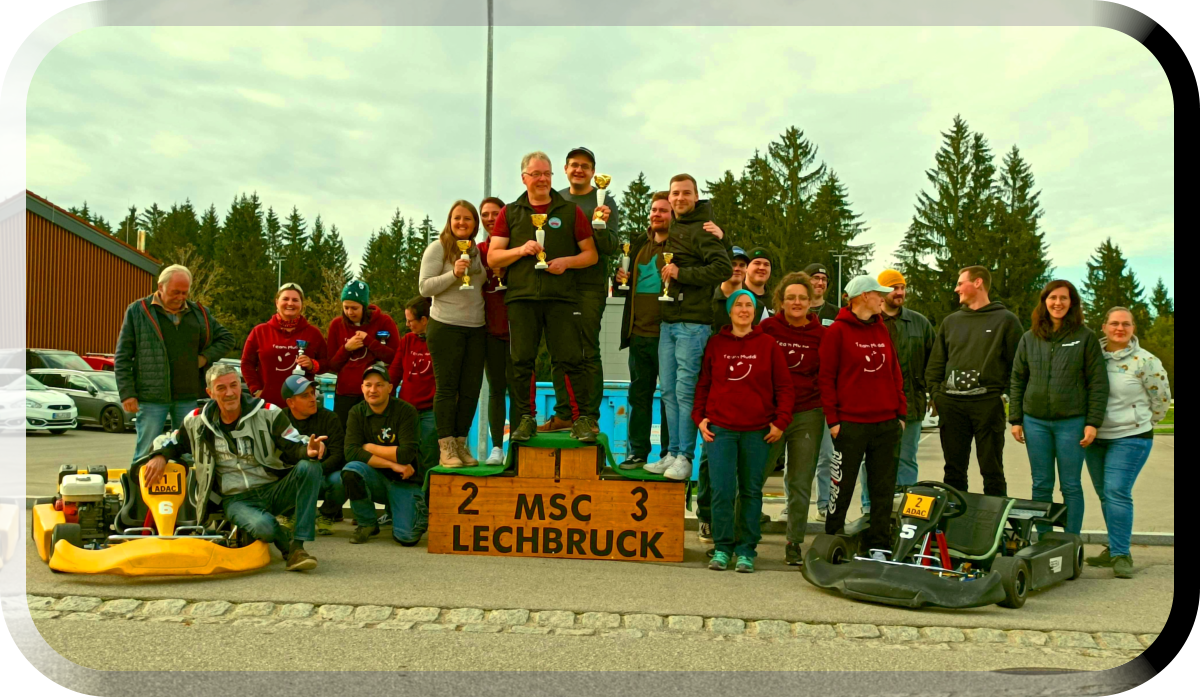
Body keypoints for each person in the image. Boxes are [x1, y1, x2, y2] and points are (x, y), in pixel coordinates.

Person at [136, 363, 326, 571]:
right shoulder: (196, 421)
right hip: (236, 499)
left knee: (310, 467)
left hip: (274, 489)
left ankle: (297, 546)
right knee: (264, 528)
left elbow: (294, 443)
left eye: (233, 385)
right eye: (221, 388)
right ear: (210, 393)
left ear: (240, 386)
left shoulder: (268, 413)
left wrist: (308, 450)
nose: (229, 393)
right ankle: (282, 538)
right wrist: (159, 455)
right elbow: (172, 441)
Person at [485, 151, 601, 443]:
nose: (542, 179)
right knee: (522, 361)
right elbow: (493, 257)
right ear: (524, 178)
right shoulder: (510, 212)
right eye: (536, 174)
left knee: (571, 359)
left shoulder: (570, 211)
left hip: (562, 298)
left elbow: (591, 255)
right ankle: (526, 418)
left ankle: (581, 419)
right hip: (521, 296)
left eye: (547, 174)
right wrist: (520, 250)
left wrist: (566, 263)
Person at [694, 290, 793, 573]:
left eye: (749, 305)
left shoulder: (768, 345)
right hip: (721, 430)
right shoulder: (716, 344)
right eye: (738, 304)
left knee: (750, 492)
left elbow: (784, 387)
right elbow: (704, 384)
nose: (744, 309)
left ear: (754, 312)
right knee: (722, 491)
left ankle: (747, 550)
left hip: (757, 431)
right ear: (729, 311)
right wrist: (699, 418)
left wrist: (780, 421)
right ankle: (723, 548)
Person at [646, 174, 733, 482]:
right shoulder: (676, 228)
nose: (680, 198)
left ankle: (685, 457)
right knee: (668, 391)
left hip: (693, 324)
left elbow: (723, 268)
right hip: (669, 321)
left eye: (686, 193)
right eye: (675, 193)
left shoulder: (703, 228)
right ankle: (672, 452)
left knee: (684, 393)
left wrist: (681, 273)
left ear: (696, 196)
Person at [1009, 280, 1108, 537]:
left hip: (1072, 423)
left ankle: (1070, 541)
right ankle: (1043, 540)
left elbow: (1098, 382)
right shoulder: (1029, 338)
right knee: (1041, 484)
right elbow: (1018, 379)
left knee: (1071, 485)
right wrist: (1016, 419)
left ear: (1072, 303)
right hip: (1035, 422)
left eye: (1064, 298)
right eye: (1053, 298)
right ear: (1045, 302)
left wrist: (1092, 422)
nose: (1058, 303)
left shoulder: (1085, 337)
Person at [819, 276, 907, 560]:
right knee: (841, 486)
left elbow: (894, 371)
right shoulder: (837, 331)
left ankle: (879, 544)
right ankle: (832, 540)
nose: (884, 298)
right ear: (863, 296)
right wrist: (833, 420)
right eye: (879, 294)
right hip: (850, 423)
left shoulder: (882, 328)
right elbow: (826, 378)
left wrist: (900, 413)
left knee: (883, 489)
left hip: (886, 423)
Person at [115, 264, 235, 464]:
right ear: (160, 287)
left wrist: (205, 357)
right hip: (151, 397)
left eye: (184, 293)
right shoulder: (138, 311)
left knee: (188, 452)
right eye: (175, 292)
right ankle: (139, 484)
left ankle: (188, 485)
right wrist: (127, 393)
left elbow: (227, 338)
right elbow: (122, 356)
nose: (180, 297)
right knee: (146, 452)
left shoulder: (199, 313)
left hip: (187, 396)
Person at [1083, 308, 1171, 579]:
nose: (1119, 328)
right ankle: (1114, 547)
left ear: (1133, 327)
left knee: (1116, 491)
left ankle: (1122, 554)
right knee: (1105, 494)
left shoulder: (1146, 361)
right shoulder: (1091, 356)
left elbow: (1161, 400)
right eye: (1114, 323)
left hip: (1131, 438)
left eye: (1126, 324)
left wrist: (1140, 421)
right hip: (1095, 437)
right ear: (1103, 327)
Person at [538, 147, 619, 433]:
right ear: (565, 169)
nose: (579, 170)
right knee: (558, 351)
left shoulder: (604, 200)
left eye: (585, 166)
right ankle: (563, 413)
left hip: (589, 287)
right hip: (557, 286)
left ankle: (589, 417)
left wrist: (601, 226)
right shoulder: (556, 199)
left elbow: (610, 247)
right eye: (574, 165)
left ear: (593, 172)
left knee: (587, 350)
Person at [925, 266, 1023, 496]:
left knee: (992, 469)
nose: (956, 289)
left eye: (960, 283)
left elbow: (1019, 366)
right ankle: (955, 516)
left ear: (978, 283)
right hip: (951, 406)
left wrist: (1004, 397)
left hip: (988, 405)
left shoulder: (1006, 320)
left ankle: (994, 517)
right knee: (953, 471)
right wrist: (938, 396)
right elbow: (935, 365)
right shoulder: (951, 322)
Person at [759, 272, 826, 565]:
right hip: (771, 416)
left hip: (807, 414)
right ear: (781, 301)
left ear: (810, 301)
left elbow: (828, 376)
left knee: (800, 480)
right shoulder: (767, 329)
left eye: (802, 298)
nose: (796, 303)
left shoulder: (822, 335)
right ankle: (743, 534)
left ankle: (794, 542)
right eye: (790, 298)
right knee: (755, 476)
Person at [857, 269, 935, 515]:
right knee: (871, 460)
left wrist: (933, 394)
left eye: (902, 287)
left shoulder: (920, 323)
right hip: (873, 406)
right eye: (894, 288)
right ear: (881, 292)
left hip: (911, 404)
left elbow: (934, 363)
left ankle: (907, 513)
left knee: (907, 459)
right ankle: (869, 508)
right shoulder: (867, 321)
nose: (899, 292)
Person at [418, 200, 487, 467]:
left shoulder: (476, 251)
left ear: (475, 224)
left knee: (470, 390)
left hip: (476, 328)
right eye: (457, 218)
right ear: (449, 221)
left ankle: (461, 442)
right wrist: (453, 274)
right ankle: (446, 446)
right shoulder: (438, 248)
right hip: (445, 326)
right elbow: (425, 287)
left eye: (467, 219)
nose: (461, 223)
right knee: (447, 389)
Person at [613, 191, 672, 470]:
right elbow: (623, 288)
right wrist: (619, 278)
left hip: (669, 335)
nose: (656, 214)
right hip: (638, 334)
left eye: (663, 210)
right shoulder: (638, 243)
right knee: (638, 397)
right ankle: (637, 452)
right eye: (654, 209)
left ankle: (670, 454)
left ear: (673, 215)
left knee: (670, 398)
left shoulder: (680, 245)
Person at [342, 363, 428, 546]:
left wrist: (369, 447)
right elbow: (351, 452)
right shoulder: (356, 412)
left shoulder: (406, 411)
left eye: (379, 385)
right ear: (362, 388)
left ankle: (404, 510)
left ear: (390, 388)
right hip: (376, 479)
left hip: (405, 480)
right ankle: (367, 523)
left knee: (407, 538)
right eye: (368, 385)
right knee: (351, 470)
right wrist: (392, 464)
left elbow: (405, 455)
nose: (373, 390)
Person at [241, 283, 329, 409]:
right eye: (285, 299)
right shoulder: (260, 331)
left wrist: (312, 365)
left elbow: (327, 363)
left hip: (302, 408)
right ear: (277, 302)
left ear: (302, 304)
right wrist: (256, 390)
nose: (290, 303)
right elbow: (246, 364)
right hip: (267, 405)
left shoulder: (313, 333)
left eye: (295, 300)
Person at [326, 280, 400, 428]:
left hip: (375, 394)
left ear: (364, 306)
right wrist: (346, 349)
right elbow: (332, 365)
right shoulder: (336, 325)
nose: (350, 312)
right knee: (345, 436)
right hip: (345, 394)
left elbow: (395, 358)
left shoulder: (384, 321)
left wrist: (369, 341)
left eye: (354, 308)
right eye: (346, 307)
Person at [280, 374, 345, 536]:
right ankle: (288, 514)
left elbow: (338, 455)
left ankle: (326, 515)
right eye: (305, 396)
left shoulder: (330, 418)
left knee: (343, 478)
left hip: (323, 476)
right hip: (293, 478)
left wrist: (314, 472)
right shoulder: (280, 420)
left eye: (312, 393)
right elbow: (278, 457)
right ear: (291, 402)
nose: (312, 399)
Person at [477, 196, 515, 465]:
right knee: (496, 390)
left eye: (495, 213)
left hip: (518, 331)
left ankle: (519, 445)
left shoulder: (516, 247)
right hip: (489, 332)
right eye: (485, 214)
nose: (490, 218)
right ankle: (497, 447)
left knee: (520, 391)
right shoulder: (477, 251)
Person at [389, 296, 439, 475]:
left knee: (429, 454)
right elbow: (395, 372)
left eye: (410, 321)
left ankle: (428, 490)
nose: (407, 324)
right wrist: (385, 396)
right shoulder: (407, 340)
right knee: (404, 453)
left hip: (430, 410)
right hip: (406, 409)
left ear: (424, 320)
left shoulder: (439, 341)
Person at [710, 247, 772, 332]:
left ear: (746, 269)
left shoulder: (758, 306)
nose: (737, 268)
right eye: (733, 264)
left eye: (742, 265)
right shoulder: (707, 302)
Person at [804, 263, 841, 327]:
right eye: (816, 278)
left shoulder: (837, 313)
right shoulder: (797, 310)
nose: (820, 283)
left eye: (824, 279)